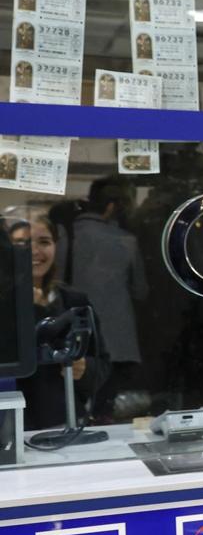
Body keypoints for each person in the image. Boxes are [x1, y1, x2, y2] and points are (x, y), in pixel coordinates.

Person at [6, 213, 109, 431]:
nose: (34, 251)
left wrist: (84, 369)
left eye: (44, 242)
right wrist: (32, 309)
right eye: (22, 243)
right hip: (13, 429)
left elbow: (102, 363)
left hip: (68, 424)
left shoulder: (74, 300)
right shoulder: (4, 303)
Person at [69, 177, 148, 420]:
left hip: (76, 333)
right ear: (112, 207)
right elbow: (141, 290)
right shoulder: (126, 241)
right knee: (108, 406)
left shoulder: (67, 235)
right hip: (118, 338)